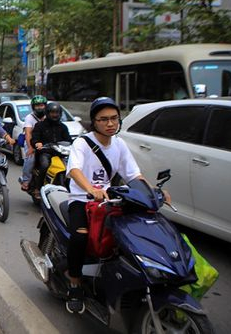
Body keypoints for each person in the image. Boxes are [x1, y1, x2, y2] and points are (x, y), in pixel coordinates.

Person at [64, 97, 168, 314]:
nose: (110, 123)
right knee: (80, 237)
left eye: (113, 119)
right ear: (94, 122)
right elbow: (74, 170)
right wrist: (90, 189)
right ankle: (74, 283)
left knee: (130, 235)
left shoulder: (119, 144)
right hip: (82, 200)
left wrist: (153, 192)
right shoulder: (82, 143)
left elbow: (133, 175)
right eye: (103, 120)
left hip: (109, 201)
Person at [30, 102, 72, 199]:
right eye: (52, 113)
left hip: (61, 153)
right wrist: (37, 143)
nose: (55, 115)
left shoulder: (63, 127)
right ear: (47, 113)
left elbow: (69, 140)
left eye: (57, 113)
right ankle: (38, 188)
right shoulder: (40, 125)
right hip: (46, 153)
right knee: (44, 165)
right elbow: (34, 138)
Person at [20, 95, 48, 192]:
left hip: (45, 143)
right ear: (33, 107)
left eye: (41, 105)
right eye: (37, 106)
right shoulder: (29, 118)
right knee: (31, 158)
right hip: (31, 142)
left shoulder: (48, 117)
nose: (40, 108)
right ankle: (26, 180)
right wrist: (30, 147)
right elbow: (28, 133)